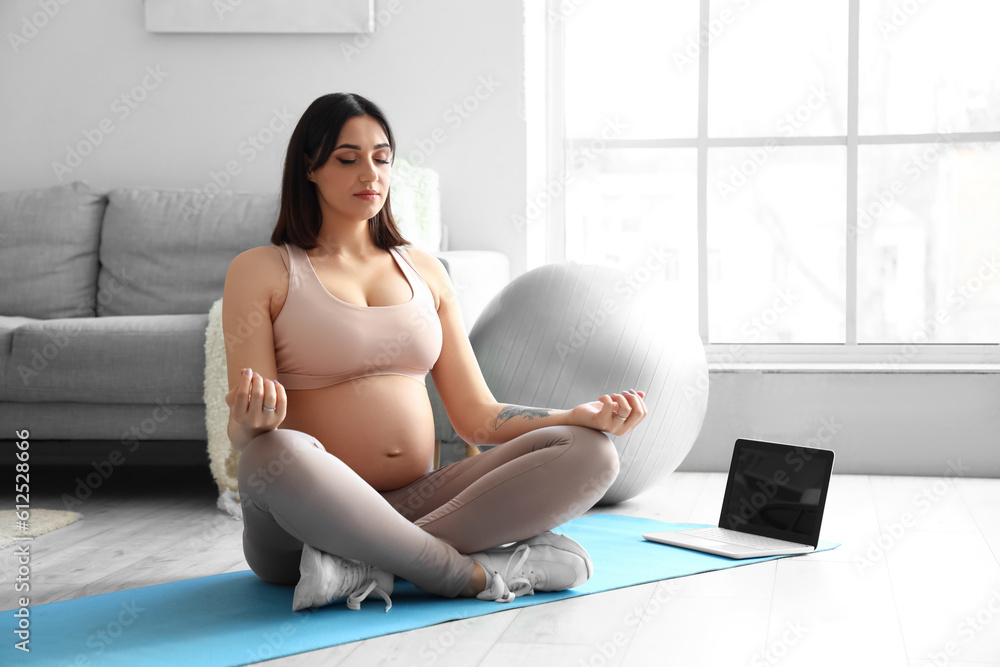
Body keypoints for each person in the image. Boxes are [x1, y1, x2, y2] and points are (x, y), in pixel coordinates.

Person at [222, 92, 648, 612]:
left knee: (590, 450)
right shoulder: (262, 269)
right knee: (274, 452)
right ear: (309, 168)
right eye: (347, 158)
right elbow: (247, 434)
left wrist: (573, 416)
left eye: (382, 158)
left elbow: (478, 418)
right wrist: (251, 424)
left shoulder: (425, 271)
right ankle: (461, 574)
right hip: (300, 524)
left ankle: (361, 564)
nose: (370, 174)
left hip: (419, 501)